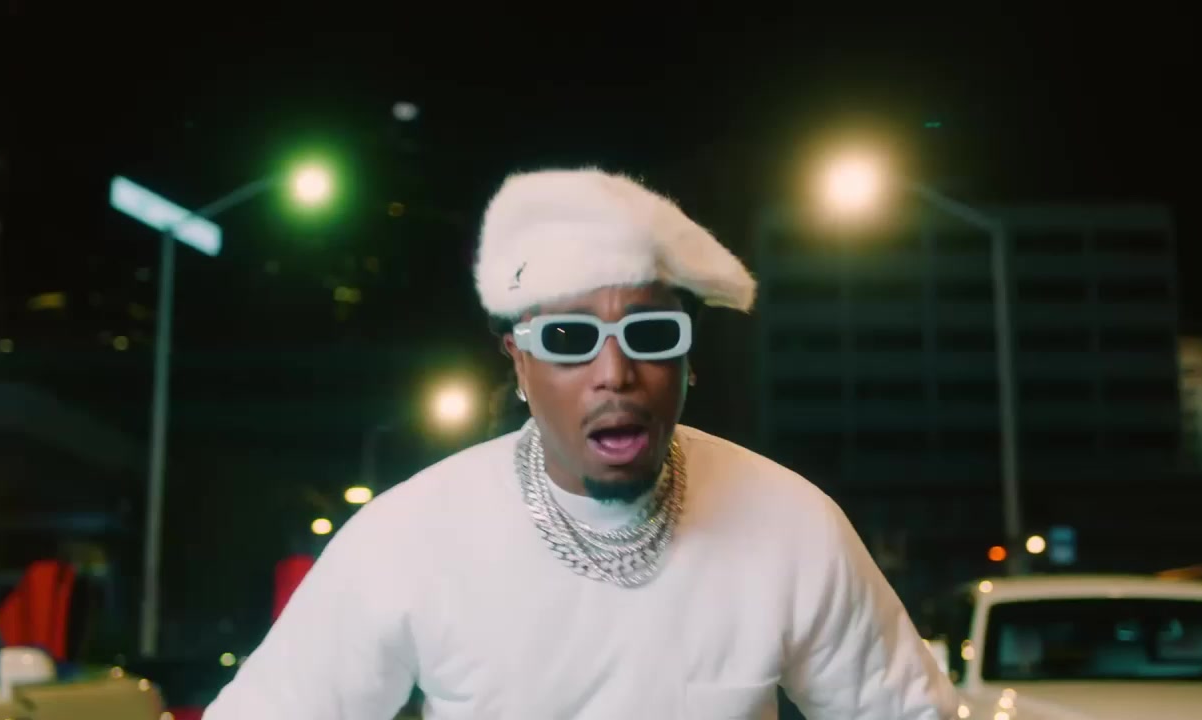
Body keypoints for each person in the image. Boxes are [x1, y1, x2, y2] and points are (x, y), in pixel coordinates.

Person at [204, 168, 958, 719]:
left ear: (689, 362)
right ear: (518, 363)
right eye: (570, 339)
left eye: (651, 335)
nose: (615, 373)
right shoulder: (412, 538)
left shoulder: (791, 525)